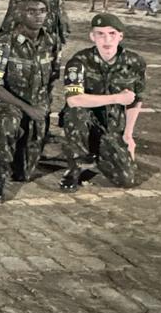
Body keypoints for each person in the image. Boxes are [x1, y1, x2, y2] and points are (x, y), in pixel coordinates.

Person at [0, 0, 59, 203]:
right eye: (31, 11)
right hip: (8, 103)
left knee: (24, 172)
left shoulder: (51, 41)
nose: (38, 15)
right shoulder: (4, 43)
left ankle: (19, 159)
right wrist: (26, 108)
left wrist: (43, 107)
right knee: (7, 125)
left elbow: (52, 78)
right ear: (20, 14)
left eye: (42, 11)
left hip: (37, 105)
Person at [60, 12, 145, 192]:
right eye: (100, 34)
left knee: (127, 179)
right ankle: (75, 166)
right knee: (76, 112)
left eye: (112, 33)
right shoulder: (79, 61)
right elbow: (74, 100)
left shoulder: (134, 62)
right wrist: (116, 98)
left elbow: (135, 100)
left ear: (120, 36)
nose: (107, 39)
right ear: (92, 36)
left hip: (113, 128)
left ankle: (98, 155)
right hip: (86, 124)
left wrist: (128, 135)